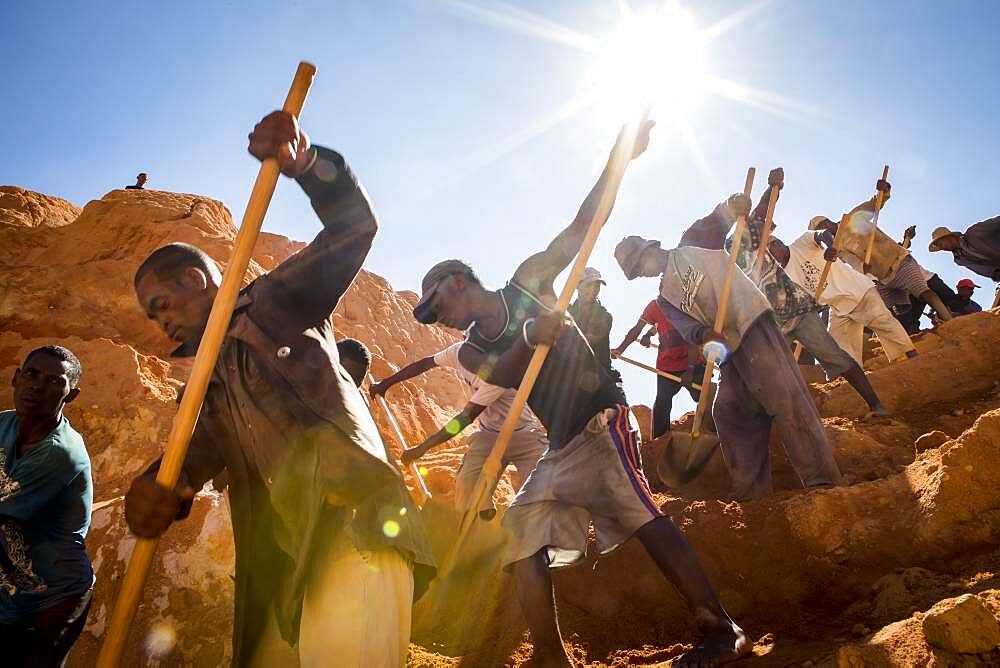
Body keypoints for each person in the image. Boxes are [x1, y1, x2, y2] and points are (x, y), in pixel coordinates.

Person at [411, 120, 748, 668]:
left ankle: (721, 627)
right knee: (520, 538)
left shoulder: (527, 282)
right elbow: (507, 366)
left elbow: (584, 222)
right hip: (558, 447)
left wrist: (621, 156)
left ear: (457, 283)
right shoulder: (474, 348)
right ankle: (550, 656)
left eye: (435, 308)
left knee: (643, 516)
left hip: (599, 424)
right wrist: (526, 337)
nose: (439, 322)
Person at [123, 110, 434, 667]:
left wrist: (308, 165)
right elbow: (198, 452)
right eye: (152, 317)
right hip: (286, 568)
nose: (160, 324)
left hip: (353, 529)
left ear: (194, 281)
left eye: (161, 306)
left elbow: (353, 227)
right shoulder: (208, 384)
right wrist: (155, 486)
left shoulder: (274, 303)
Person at [614, 197, 843, 502]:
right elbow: (689, 329)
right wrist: (705, 333)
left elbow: (723, 215)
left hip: (751, 323)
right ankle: (752, 495)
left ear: (650, 250)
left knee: (784, 398)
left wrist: (739, 203)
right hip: (729, 351)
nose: (641, 272)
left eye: (638, 264)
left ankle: (822, 482)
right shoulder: (665, 299)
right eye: (635, 272)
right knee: (729, 412)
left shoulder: (693, 241)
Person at [720, 168, 889, 416]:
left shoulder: (749, 234)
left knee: (834, 355)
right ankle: (789, 419)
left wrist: (772, 186)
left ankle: (876, 405)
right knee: (774, 373)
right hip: (771, 322)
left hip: (796, 306)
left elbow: (763, 209)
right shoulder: (723, 266)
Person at [371, 335, 547, 520]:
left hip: (524, 435)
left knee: (543, 489)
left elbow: (465, 418)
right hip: (488, 434)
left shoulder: (501, 372)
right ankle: (481, 521)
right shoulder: (459, 351)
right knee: (465, 485)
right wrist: (386, 384)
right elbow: (424, 364)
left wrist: (422, 448)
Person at [0, 346, 93, 667]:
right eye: (31, 374)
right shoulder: (3, 426)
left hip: (53, 597)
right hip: (11, 587)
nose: (38, 386)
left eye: (56, 382)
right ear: (15, 378)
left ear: (71, 395)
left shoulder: (61, 453)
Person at [808, 181, 954, 325]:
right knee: (889, 310)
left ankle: (949, 320)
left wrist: (884, 191)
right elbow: (853, 262)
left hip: (898, 261)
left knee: (922, 292)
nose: (824, 229)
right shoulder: (838, 247)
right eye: (819, 229)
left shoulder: (852, 218)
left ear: (827, 221)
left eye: (822, 225)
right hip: (882, 277)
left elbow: (874, 204)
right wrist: (861, 268)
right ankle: (898, 339)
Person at [772, 230, 916, 364]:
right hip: (838, 307)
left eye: (772, 248)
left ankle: (908, 357)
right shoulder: (786, 277)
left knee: (883, 322)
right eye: (769, 254)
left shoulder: (801, 243)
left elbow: (823, 234)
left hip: (856, 290)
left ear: (779, 243)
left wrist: (831, 248)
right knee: (841, 346)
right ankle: (849, 381)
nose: (773, 255)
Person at [612, 299, 705, 439]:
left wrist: (690, 370)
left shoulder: (685, 302)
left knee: (705, 397)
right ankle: (659, 441)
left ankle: (715, 431)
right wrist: (621, 349)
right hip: (667, 365)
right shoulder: (655, 306)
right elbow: (639, 329)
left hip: (692, 362)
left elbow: (694, 338)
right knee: (662, 402)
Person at [567, 267, 619, 381]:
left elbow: (585, 343)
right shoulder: (567, 311)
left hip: (600, 377)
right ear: (577, 286)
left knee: (618, 398)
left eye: (597, 286)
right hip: (570, 372)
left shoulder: (604, 316)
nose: (594, 289)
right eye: (589, 285)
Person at [928, 217, 1000, 283]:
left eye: (941, 244)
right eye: (940, 248)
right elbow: (982, 269)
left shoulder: (974, 232)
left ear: (947, 237)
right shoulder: (960, 259)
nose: (942, 248)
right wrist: (995, 274)